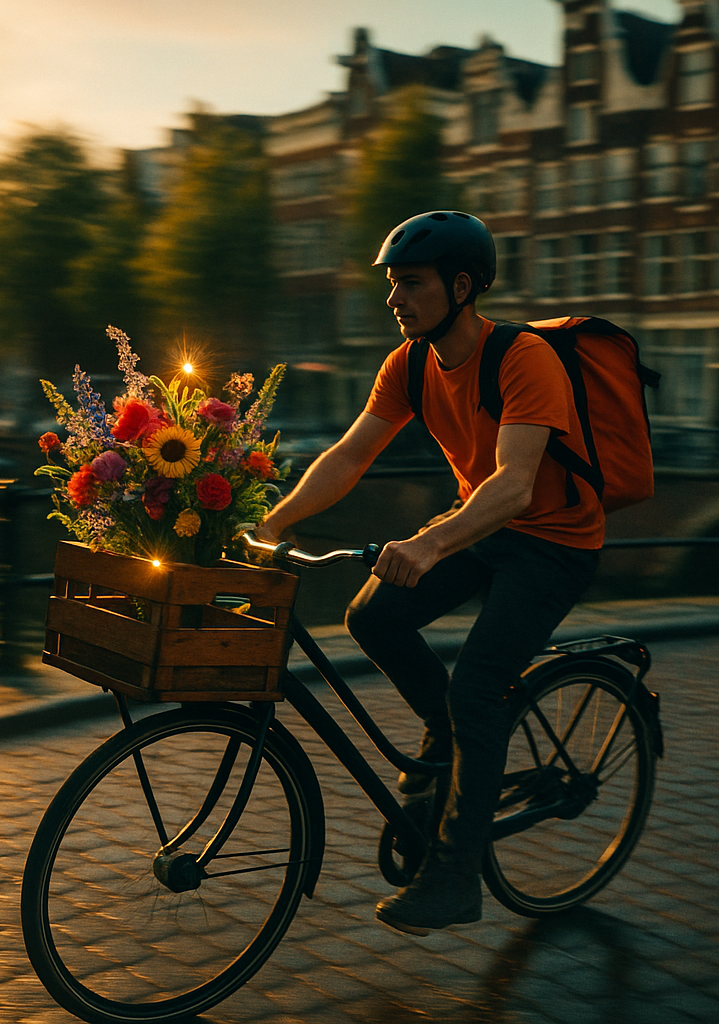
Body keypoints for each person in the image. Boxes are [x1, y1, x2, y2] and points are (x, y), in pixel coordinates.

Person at [255, 210, 604, 934]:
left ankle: (455, 878)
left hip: (553, 542)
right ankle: (449, 740)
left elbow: (513, 483)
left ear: (463, 286)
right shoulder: (408, 363)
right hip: (482, 525)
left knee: (477, 690)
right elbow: (350, 456)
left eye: (410, 283)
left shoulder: (522, 358)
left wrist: (432, 543)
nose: (395, 299)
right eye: (392, 284)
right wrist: (274, 522)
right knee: (371, 616)